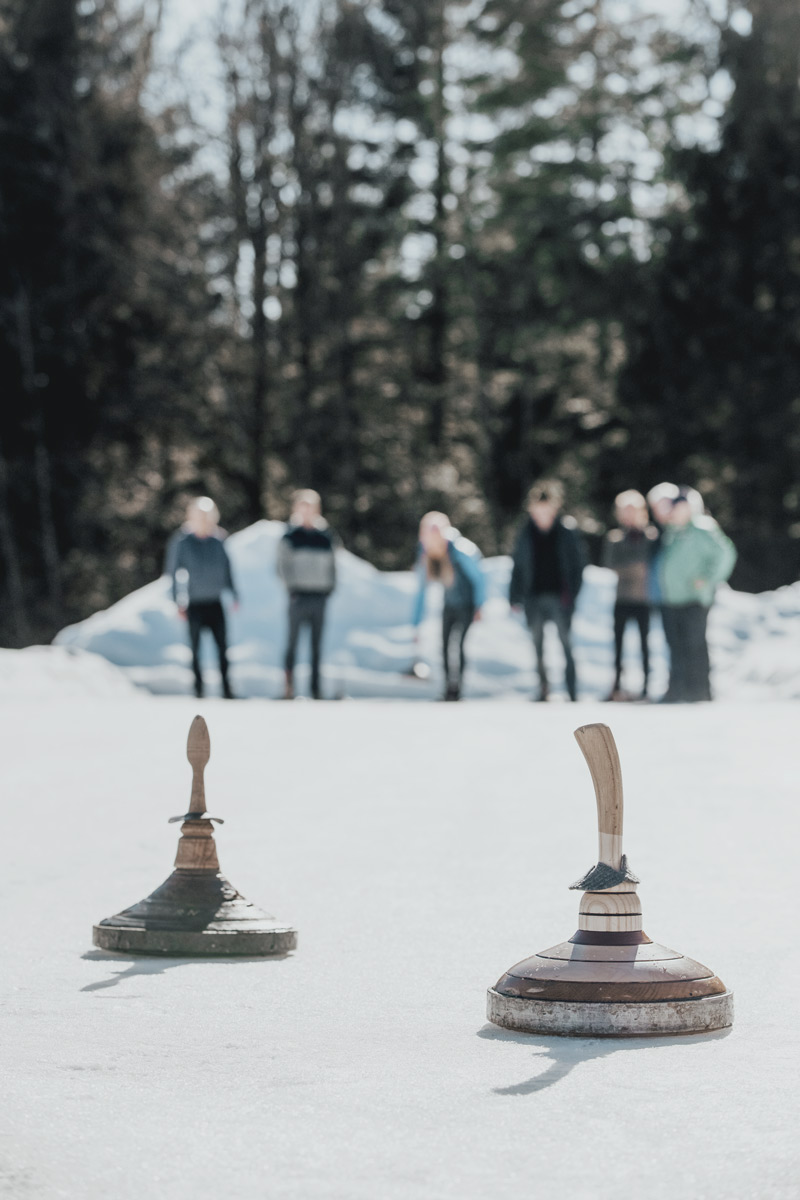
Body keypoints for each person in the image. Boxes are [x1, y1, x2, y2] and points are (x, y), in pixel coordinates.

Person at [509, 481, 586, 701]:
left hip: (560, 599)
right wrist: (514, 596)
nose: (541, 513)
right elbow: (517, 566)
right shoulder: (525, 532)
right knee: (537, 646)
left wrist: (573, 595)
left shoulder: (567, 531)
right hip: (533, 598)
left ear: (554, 507)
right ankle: (544, 689)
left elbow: (578, 567)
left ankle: (572, 692)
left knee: (566, 645)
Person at [658, 488, 737, 702]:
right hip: (673, 599)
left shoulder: (703, 528)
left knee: (695, 647)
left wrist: (707, 579)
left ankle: (700, 692)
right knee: (677, 648)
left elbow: (725, 554)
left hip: (694, 599)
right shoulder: (674, 530)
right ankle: (680, 691)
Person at [167, 496, 238, 699]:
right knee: (195, 650)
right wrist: (177, 600)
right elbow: (173, 572)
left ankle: (227, 690)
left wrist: (234, 593)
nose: (204, 520)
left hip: (215, 603)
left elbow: (228, 569)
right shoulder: (182, 542)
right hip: (194, 603)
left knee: (223, 649)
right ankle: (198, 690)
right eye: (199, 516)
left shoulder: (219, 540)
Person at [411, 512, 486, 701]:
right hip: (449, 604)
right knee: (444, 646)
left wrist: (479, 605)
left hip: (467, 605)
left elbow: (479, 579)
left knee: (459, 645)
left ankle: (457, 689)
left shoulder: (460, 550)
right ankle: (447, 688)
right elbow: (421, 589)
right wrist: (415, 623)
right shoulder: (427, 552)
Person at [277, 489, 337, 700]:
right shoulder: (290, 536)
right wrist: (291, 588)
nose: (306, 513)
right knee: (292, 643)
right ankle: (289, 687)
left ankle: (316, 689)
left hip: (319, 596)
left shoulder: (325, 536)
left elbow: (332, 565)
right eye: (302, 508)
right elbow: (282, 566)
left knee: (316, 646)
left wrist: (329, 587)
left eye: (310, 508)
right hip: (298, 596)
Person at [602, 490, 658, 701]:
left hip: (644, 600)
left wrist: (633, 568)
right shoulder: (615, 539)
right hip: (622, 599)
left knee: (645, 645)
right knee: (618, 645)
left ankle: (646, 688)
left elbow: (651, 567)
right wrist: (637, 568)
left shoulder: (652, 537)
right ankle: (616, 686)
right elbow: (611, 566)